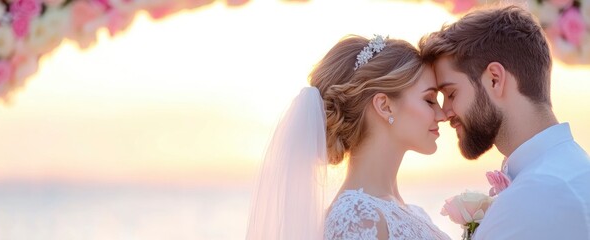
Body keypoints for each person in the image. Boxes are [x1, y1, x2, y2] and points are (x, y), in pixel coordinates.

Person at [246, 34, 450, 239]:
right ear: (384, 106)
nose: (443, 115)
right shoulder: (356, 219)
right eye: (430, 100)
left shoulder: (412, 212)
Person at [420, 5, 590, 240]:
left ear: (494, 80)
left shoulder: (537, 194)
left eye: (451, 93)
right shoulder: (571, 170)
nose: (445, 112)